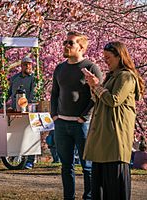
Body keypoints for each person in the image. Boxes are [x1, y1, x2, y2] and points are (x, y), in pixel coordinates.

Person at [83, 41, 145, 199]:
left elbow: (114, 100)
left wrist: (97, 86)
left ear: (120, 56)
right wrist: (93, 86)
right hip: (103, 137)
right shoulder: (111, 77)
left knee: (114, 188)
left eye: (109, 57)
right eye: (104, 58)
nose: (106, 61)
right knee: (100, 186)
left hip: (115, 138)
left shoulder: (126, 77)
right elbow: (100, 99)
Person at [51, 31, 103, 200]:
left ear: (81, 47)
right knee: (66, 166)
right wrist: (54, 115)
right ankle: (69, 197)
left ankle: (89, 197)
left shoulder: (91, 67)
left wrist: (84, 117)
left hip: (82, 125)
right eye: (65, 42)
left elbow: (97, 95)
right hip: (61, 124)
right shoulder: (60, 68)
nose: (66, 45)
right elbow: (54, 93)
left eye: (70, 43)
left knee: (87, 166)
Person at [7, 56, 36, 169]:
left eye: (29, 64)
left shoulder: (33, 78)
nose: (28, 66)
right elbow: (9, 92)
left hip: (28, 111)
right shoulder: (14, 78)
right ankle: (16, 157)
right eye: (25, 64)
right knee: (15, 134)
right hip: (15, 111)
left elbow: (33, 94)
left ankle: (30, 160)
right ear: (21, 65)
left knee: (30, 135)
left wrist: (29, 106)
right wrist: (2, 103)